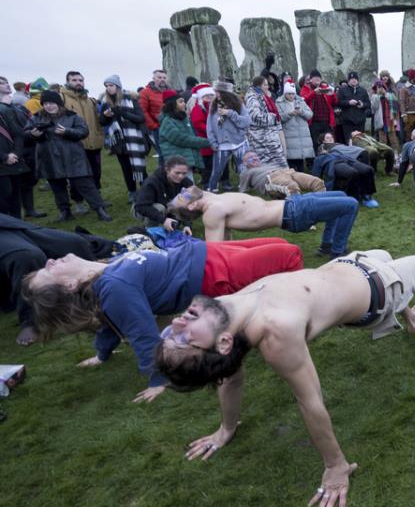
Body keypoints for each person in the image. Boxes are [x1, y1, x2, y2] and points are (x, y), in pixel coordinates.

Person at [153, 250, 415, 507]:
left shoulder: (221, 313)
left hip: (350, 264)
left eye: (171, 333)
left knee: (383, 252)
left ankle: (408, 312)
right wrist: (335, 466)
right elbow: (310, 401)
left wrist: (226, 428)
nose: (178, 322)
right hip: (378, 289)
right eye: (184, 339)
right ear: (221, 343)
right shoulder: (277, 332)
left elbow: (229, 375)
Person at [22, 235, 304, 401]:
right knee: (289, 255)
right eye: (47, 272)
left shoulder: (103, 275)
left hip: (204, 251)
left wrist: (101, 355)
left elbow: (106, 322)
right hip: (212, 272)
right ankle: (299, 313)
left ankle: (279, 300)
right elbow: (142, 333)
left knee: (279, 243)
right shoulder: (114, 288)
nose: (49, 261)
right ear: (69, 286)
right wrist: (158, 379)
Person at [169, 184, 358, 256]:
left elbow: (192, 188)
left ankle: (328, 245)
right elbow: (215, 250)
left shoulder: (209, 198)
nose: (183, 191)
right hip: (294, 214)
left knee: (341, 192)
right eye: (181, 196)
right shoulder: (212, 212)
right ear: (192, 207)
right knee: (350, 204)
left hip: (292, 203)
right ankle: (337, 251)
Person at [0, 213, 100, 345]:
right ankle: (30, 320)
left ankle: (98, 290)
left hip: (8, 223)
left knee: (74, 242)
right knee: (26, 256)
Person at [25, 91, 111, 222]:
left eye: (52, 103)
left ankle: (100, 209)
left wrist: (67, 131)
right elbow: (25, 134)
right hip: (49, 158)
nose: (49, 106)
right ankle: (65, 212)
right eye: (46, 103)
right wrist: (33, 134)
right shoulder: (36, 117)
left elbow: (84, 131)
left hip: (73, 157)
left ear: (58, 104)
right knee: (57, 187)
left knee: (86, 185)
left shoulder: (72, 116)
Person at [99, 75, 148, 202]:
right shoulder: (105, 103)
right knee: (126, 169)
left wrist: (123, 113)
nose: (109, 88)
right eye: (107, 86)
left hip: (134, 139)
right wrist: (106, 116)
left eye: (111, 85)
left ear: (118, 86)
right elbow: (102, 122)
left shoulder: (131, 98)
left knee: (140, 166)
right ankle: (132, 192)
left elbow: (141, 118)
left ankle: (146, 190)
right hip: (119, 141)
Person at [60, 71, 105, 199]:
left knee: (96, 172)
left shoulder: (90, 100)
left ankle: (97, 197)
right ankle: (79, 201)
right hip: (74, 143)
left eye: (80, 80)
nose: (78, 83)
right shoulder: (62, 98)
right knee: (77, 175)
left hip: (93, 142)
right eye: (74, 80)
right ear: (67, 82)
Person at [312, 132, 379, 208]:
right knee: (352, 173)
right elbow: (318, 161)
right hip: (335, 161)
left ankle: (367, 195)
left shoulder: (339, 145)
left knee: (368, 169)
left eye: (331, 137)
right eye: (327, 138)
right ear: (323, 141)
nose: (330, 138)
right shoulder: (322, 148)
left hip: (348, 159)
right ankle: (354, 196)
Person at [206, 85, 251, 192]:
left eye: (219, 92)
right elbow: (210, 126)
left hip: (239, 141)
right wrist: (212, 142)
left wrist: (230, 113)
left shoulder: (238, 105)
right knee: (217, 169)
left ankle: (244, 187)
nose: (216, 94)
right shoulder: (213, 106)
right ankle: (212, 188)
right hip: (221, 144)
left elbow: (246, 122)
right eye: (215, 92)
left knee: (243, 167)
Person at [158, 90, 209, 178]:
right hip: (177, 163)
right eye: (181, 101)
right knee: (184, 186)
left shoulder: (183, 118)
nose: (184, 104)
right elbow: (182, 139)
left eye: (184, 101)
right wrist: (207, 142)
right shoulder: (167, 122)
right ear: (172, 104)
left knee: (187, 184)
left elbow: (191, 136)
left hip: (184, 159)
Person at [134, 155, 194, 230]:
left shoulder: (187, 183)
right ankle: (150, 230)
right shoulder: (151, 182)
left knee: (182, 203)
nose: (181, 176)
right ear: (167, 170)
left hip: (168, 205)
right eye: (177, 173)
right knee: (159, 208)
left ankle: (169, 221)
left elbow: (188, 205)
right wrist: (163, 220)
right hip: (143, 207)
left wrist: (187, 225)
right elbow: (140, 206)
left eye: (184, 173)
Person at [0, 83, 31, 218]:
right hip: (3, 160)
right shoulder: (5, 107)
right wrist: (4, 157)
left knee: (15, 196)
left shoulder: (10, 108)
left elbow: (18, 133)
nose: (5, 84)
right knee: (4, 196)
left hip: (13, 158)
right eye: (1, 83)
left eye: (6, 82)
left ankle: (18, 226)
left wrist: (16, 154)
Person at [237, 151, 326, 198]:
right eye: (250, 158)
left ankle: (323, 207)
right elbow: (242, 190)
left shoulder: (266, 164)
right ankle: (301, 216)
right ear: (245, 163)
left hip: (288, 172)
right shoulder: (246, 173)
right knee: (292, 187)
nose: (254, 158)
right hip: (270, 178)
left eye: (255, 156)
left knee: (317, 182)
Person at [245, 76, 287, 169]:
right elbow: (256, 117)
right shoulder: (252, 97)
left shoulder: (262, 95)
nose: (267, 87)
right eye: (265, 85)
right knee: (267, 169)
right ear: (259, 86)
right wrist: (273, 117)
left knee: (278, 168)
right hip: (262, 141)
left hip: (268, 140)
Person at [276, 82, 314, 172]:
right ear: (285, 93)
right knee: (291, 161)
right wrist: (289, 114)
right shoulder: (279, 102)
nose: (291, 96)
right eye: (289, 93)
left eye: (293, 93)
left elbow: (310, 114)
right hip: (289, 135)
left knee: (300, 162)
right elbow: (278, 118)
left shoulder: (300, 101)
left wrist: (301, 112)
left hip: (302, 136)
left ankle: (302, 181)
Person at [188, 83, 217, 186]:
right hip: (205, 139)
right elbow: (198, 123)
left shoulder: (215, 106)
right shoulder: (198, 108)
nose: (209, 97)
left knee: (219, 161)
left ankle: (221, 180)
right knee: (208, 163)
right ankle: (207, 182)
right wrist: (212, 131)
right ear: (201, 96)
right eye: (206, 96)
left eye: (211, 95)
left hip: (217, 138)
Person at [139, 69, 169, 164]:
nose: (162, 79)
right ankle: (162, 174)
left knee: (171, 153)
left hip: (171, 126)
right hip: (157, 127)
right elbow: (143, 110)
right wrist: (153, 125)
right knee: (162, 153)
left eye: (164, 77)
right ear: (154, 79)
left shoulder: (170, 91)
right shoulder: (145, 92)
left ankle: (171, 174)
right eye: (159, 77)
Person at [337, 71, 371, 139]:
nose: (354, 80)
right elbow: (338, 102)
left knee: (360, 141)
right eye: (351, 79)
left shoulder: (363, 91)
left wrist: (362, 105)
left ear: (358, 80)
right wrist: (348, 102)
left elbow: (368, 104)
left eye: (355, 79)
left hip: (360, 121)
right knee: (349, 141)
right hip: (347, 121)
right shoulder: (342, 90)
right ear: (348, 80)